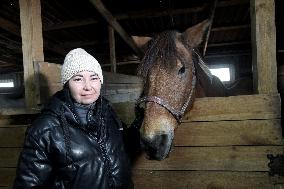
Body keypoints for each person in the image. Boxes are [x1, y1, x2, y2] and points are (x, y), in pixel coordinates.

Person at [13, 48, 134, 189]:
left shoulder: (109, 115)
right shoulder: (45, 129)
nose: (88, 87)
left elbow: (123, 152)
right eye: (78, 79)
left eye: (94, 78)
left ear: (100, 81)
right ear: (67, 84)